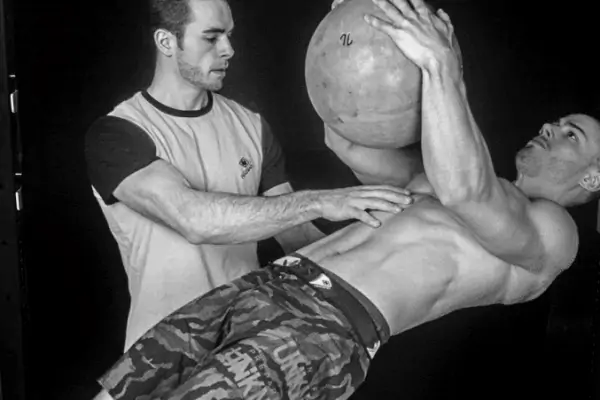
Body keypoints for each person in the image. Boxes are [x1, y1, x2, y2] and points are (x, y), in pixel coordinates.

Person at [91, 0, 600, 399]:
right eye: (558, 123)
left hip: (324, 326)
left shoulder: (554, 233)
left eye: (571, 135)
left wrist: (443, 66)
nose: (551, 128)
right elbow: (345, 139)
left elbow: (467, 191)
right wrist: (348, 36)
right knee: (117, 394)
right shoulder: (439, 176)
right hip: (266, 282)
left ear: (594, 178)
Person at [84, 0, 415, 351]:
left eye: (228, 35)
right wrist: (319, 201)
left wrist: (386, 239)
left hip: (244, 350)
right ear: (166, 42)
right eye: (211, 38)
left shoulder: (252, 127)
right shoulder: (117, 134)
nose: (228, 49)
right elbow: (193, 219)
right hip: (160, 355)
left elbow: (297, 239)